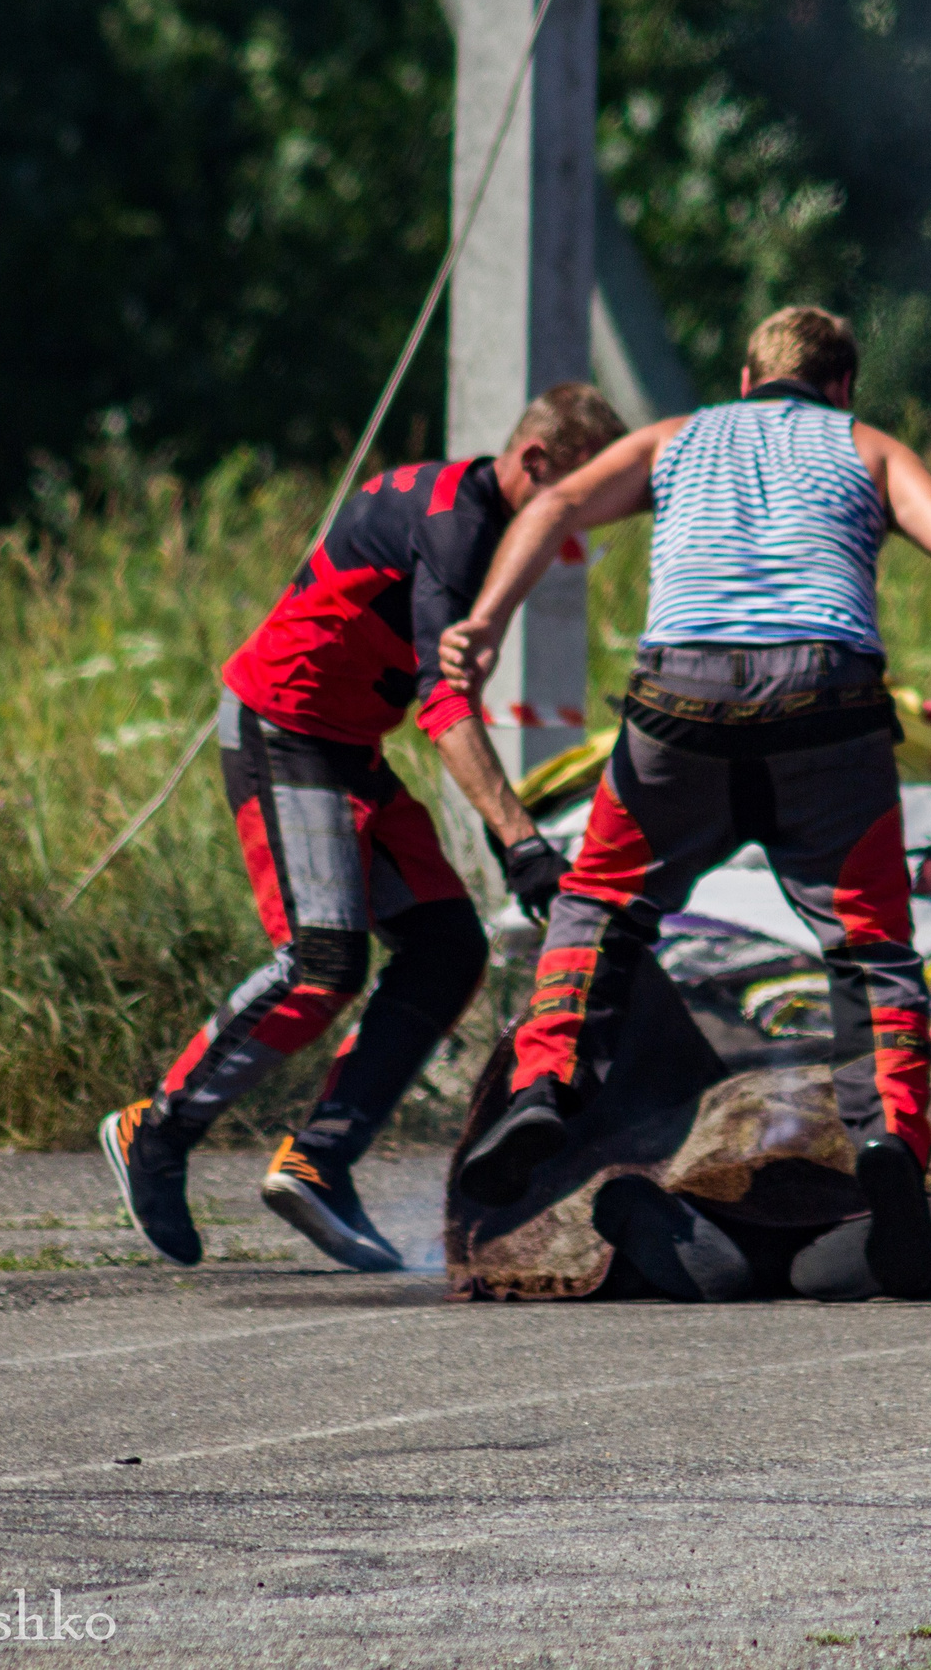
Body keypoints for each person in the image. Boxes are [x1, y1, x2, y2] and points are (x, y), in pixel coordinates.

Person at [437, 306, 931, 1295]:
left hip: (682, 702)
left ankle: (547, 1082)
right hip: (826, 706)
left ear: (747, 381)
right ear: (841, 387)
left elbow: (551, 507)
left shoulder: (677, 437)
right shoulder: (865, 444)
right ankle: (886, 1136)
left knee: (600, 901)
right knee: (868, 938)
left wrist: (485, 624)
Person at [100, 385, 629, 1271]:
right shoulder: (457, 527)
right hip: (285, 728)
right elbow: (443, 699)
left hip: (345, 745)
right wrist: (520, 838)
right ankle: (153, 1129)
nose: (582, 525)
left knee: (449, 947)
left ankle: (320, 1160)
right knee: (323, 960)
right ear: (536, 463)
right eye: (577, 495)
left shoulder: (498, 528)